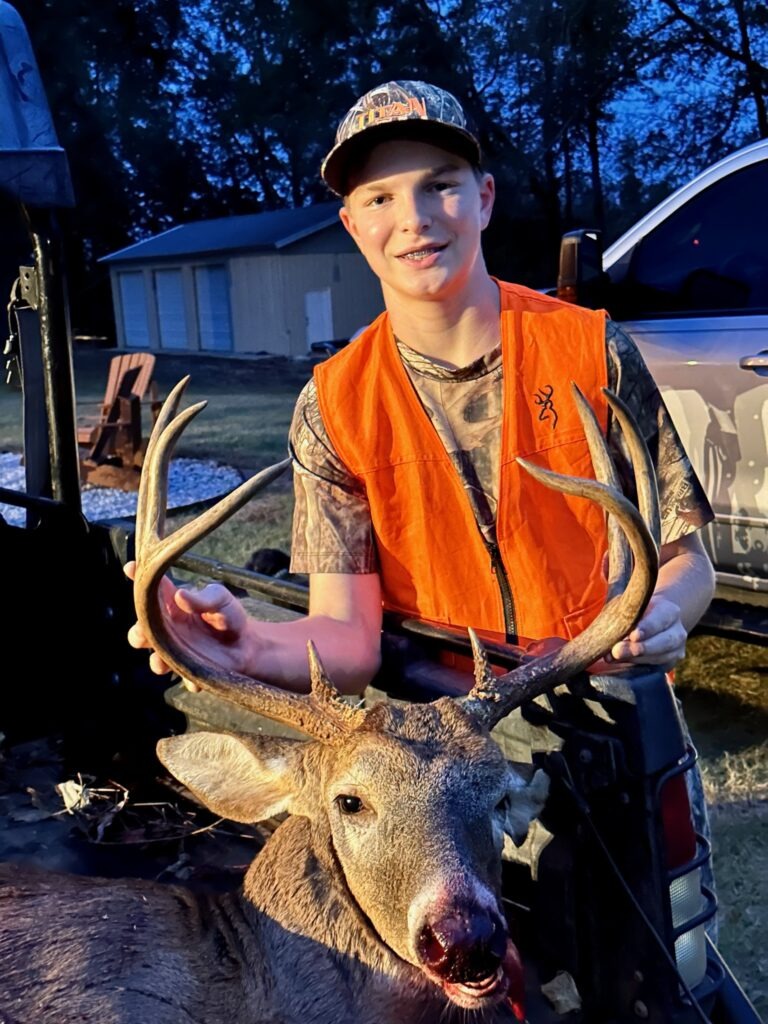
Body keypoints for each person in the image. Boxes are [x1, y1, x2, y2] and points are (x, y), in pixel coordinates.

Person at [128, 79, 715, 694]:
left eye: (440, 185)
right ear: (352, 226)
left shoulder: (594, 351)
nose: (415, 219)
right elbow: (347, 638)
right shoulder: (334, 407)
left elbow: (687, 563)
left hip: (606, 712)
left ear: (483, 199)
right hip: (444, 749)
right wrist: (251, 647)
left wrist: (663, 614)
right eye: (380, 199)